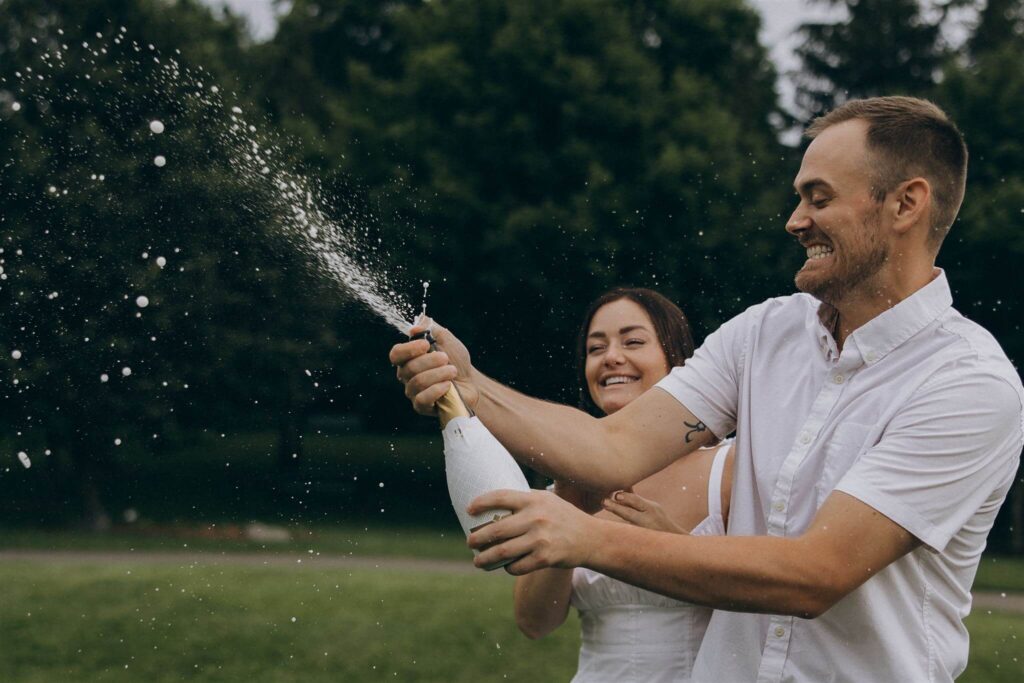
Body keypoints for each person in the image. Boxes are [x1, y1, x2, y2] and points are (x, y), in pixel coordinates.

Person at [391, 96, 1024, 681]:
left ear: (906, 204)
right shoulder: (765, 333)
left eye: (819, 197)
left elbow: (815, 574)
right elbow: (611, 449)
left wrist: (590, 539)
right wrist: (472, 388)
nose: (794, 220)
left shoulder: (968, 384)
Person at [512, 287, 734, 682]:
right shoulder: (566, 487)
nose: (612, 357)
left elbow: (774, 604)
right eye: (596, 349)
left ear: (677, 360)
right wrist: (565, 508)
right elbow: (534, 622)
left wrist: (676, 548)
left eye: (633, 342)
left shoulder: (728, 468)